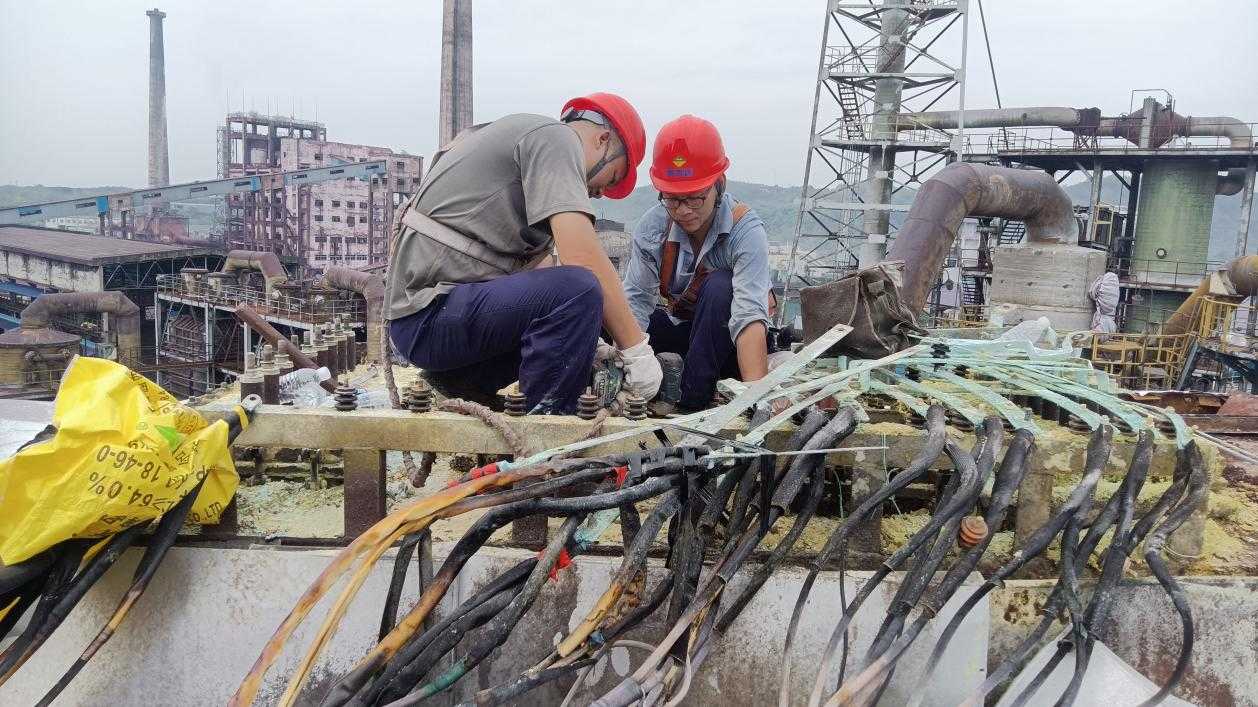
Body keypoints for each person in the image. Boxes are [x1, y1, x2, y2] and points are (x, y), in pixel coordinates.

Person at [384, 93, 663, 414]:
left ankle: (464, 383)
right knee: (582, 288)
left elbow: (542, 279)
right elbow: (583, 261)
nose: (599, 193)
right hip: (429, 316)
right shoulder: (557, 139)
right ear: (602, 140)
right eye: (611, 178)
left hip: (432, 322)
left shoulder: (526, 154)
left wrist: (593, 345)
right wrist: (636, 350)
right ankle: (546, 432)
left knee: (580, 306)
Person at [622, 115, 773, 411]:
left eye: (695, 198)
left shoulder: (746, 230)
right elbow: (636, 301)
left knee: (720, 286)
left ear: (719, 185)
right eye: (673, 200)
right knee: (613, 316)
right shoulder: (654, 227)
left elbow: (748, 317)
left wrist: (757, 399)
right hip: (685, 337)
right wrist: (628, 368)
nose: (684, 210)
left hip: (727, 344)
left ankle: (692, 404)